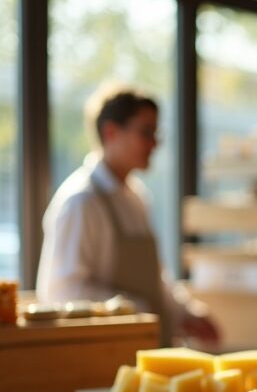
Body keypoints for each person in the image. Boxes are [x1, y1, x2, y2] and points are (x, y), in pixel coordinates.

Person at [37, 83, 219, 348]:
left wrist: (185, 311)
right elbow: (61, 291)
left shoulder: (137, 196)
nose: (155, 143)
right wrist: (135, 308)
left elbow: (155, 278)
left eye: (157, 133)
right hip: (104, 354)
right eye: (146, 132)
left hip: (147, 346)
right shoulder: (81, 202)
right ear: (111, 132)